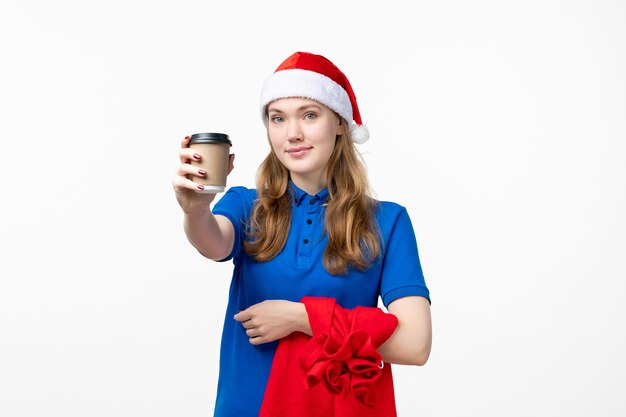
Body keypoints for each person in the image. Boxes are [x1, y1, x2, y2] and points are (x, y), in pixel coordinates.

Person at [172, 51, 432, 417]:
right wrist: (195, 208)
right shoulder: (246, 205)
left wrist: (303, 318)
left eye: (310, 115)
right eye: (278, 119)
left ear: (339, 123)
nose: (292, 134)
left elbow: (415, 344)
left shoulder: (387, 221)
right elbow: (213, 241)